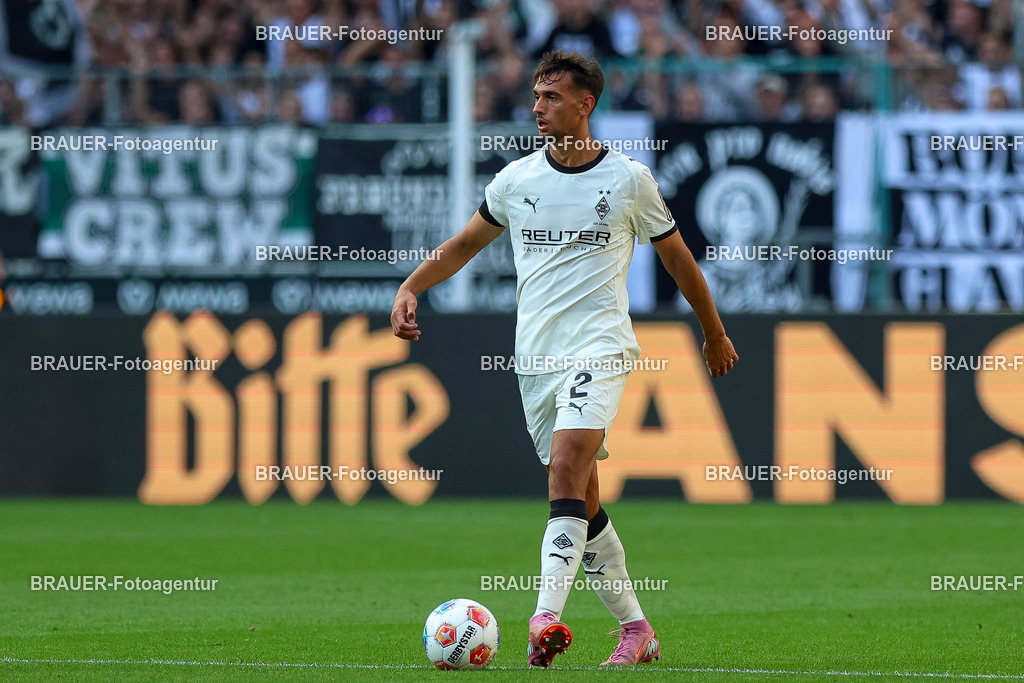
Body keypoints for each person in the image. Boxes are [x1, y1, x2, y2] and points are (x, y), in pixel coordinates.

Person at [391, 50, 737, 667]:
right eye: (535, 96)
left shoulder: (629, 180)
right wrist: (411, 286)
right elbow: (463, 245)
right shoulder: (516, 181)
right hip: (537, 360)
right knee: (584, 496)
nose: (538, 108)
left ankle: (544, 616)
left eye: (551, 97)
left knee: (565, 464)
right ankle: (637, 631)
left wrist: (712, 331)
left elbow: (678, 257)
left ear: (586, 104)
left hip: (601, 346)